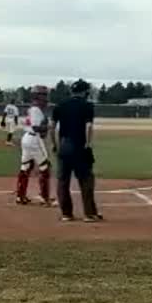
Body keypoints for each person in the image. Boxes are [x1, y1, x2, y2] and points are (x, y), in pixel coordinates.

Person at [52, 79, 102, 222]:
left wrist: (55, 144)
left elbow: (52, 126)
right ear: (85, 92)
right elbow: (88, 127)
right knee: (86, 180)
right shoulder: (87, 106)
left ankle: (66, 214)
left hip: (63, 146)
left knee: (63, 181)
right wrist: (88, 144)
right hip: (79, 146)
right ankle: (89, 214)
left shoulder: (60, 106)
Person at [15, 111, 52, 206]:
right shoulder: (40, 115)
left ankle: (20, 196)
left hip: (26, 138)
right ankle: (44, 198)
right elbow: (42, 132)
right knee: (45, 168)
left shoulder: (33, 113)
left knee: (25, 167)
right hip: (35, 140)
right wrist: (48, 127)